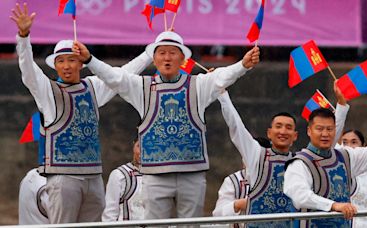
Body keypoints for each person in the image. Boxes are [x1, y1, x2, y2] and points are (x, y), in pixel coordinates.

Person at [72, 31, 260, 219]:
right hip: (155, 175)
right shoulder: (142, 87)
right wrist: (89, 59)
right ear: (154, 59)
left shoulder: (198, 85)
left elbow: (222, 76)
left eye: (172, 53)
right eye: (162, 53)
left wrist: (243, 65)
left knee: (189, 225)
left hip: (192, 173)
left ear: (183, 58)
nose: (167, 58)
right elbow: (114, 77)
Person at [10, 3, 151, 223]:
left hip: (93, 176)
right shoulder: (48, 90)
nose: (66, 66)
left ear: (80, 63)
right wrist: (23, 37)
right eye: (61, 61)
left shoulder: (93, 87)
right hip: (63, 177)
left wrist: (149, 55)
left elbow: (122, 76)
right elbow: (28, 71)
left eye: (71, 60)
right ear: (55, 66)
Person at [216, 83, 348, 227]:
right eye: (278, 126)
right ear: (269, 133)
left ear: (295, 135)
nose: (283, 131)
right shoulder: (257, 156)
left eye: (288, 128)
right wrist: (222, 95)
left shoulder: (301, 162)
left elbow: (329, 138)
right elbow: (236, 127)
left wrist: (341, 105)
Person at [284, 104, 367, 228]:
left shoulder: (345, 157)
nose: (325, 134)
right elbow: (300, 196)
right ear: (309, 131)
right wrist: (334, 205)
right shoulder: (300, 162)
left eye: (329, 129)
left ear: (335, 130)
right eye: (319, 129)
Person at [102, 138, 144, 221]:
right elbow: (110, 214)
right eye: (139, 146)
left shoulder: (161, 176)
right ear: (133, 146)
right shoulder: (120, 175)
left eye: (147, 147)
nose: (142, 152)